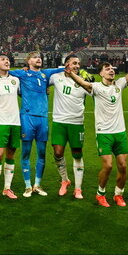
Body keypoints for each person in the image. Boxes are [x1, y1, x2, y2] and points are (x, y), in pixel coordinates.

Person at [66, 40, 128, 207]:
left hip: (120, 132)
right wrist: (70, 73)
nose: (111, 70)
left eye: (112, 69)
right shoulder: (97, 87)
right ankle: (101, 193)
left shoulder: (119, 85)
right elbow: (83, 83)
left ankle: (118, 194)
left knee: (123, 166)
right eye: (107, 69)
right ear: (101, 74)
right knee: (107, 166)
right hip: (104, 133)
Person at [0, 52, 65, 197]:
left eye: (40, 57)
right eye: (34, 57)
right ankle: (27, 186)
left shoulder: (46, 74)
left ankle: (37, 185)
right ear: (27, 62)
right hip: (26, 117)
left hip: (43, 118)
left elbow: (63, 70)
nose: (38, 59)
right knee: (25, 152)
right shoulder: (20, 74)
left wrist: (77, 69)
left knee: (41, 153)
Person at [49, 55, 90, 199]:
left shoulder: (83, 81)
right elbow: (41, 80)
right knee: (58, 152)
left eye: (79, 63)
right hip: (59, 121)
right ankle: (65, 180)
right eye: (74, 63)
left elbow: (94, 90)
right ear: (66, 64)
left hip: (76, 122)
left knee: (77, 153)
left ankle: (78, 188)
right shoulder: (56, 77)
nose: (77, 66)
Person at [0, 54, 21, 201]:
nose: (6, 61)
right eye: (2, 59)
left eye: (8, 59)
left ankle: (7, 187)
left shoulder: (16, 80)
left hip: (15, 122)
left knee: (11, 154)